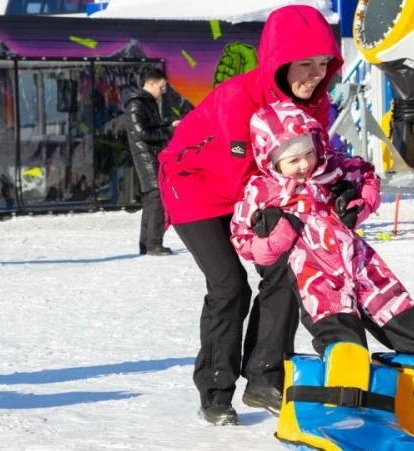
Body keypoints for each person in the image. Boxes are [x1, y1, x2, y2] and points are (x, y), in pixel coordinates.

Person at [157, 5, 345, 426]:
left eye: (323, 64)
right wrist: (272, 210)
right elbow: (238, 169)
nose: (315, 74)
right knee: (229, 285)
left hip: (255, 191)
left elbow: (314, 157)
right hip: (196, 187)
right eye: (305, 64)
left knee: (287, 272)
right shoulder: (238, 97)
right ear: (280, 61)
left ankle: (264, 375)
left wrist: (341, 189)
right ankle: (216, 387)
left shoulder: (314, 102)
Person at [231, 101, 414, 359]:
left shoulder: (332, 169)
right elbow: (241, 236)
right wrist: (274, 240)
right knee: (345, 341)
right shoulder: (262, 191)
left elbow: (367, 176)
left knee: (402, 315)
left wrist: (359, 206)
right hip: (316, 278)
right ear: (270, 160)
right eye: (293, 160)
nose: (305, 164)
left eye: (308, 153)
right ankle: (347, 382)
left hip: (362, 263)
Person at [123, 68, 178, 256]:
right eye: (162, 87)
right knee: (157, 200)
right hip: (147, 158)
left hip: (151, 156)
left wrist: (169, 127)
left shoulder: (146, 102)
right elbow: (143, 133)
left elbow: (150, 128)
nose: (163, 91)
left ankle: (146, 244)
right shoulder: (136, 104)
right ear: (152, 84)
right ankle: (153, 244)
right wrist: (169, 132)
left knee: (151, 200)